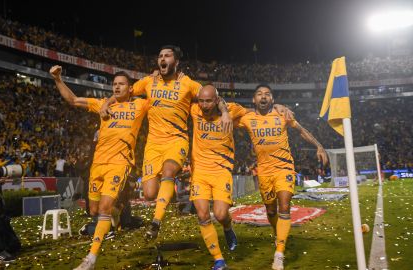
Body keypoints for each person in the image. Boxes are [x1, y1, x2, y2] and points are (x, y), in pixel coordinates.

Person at [100, 45, 233, 240]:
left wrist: (225, 112)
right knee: (149, 194)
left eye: (167, 55)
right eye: (160, 56)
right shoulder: (148, 81)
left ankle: (155, 223)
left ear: (176, 62)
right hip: (153, 144)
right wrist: (106, 103)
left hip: (176, 140)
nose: (162, 58)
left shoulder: (187, 83)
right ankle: (136, 209)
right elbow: (124, 92)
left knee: (169, 171)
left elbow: (212, 95)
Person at [49, 65, 149, 270]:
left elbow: (155, 92)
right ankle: (118, 208)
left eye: (122, 84)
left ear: (131, 88)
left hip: (120, 163)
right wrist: (58, 78)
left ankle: (90, 259)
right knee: (94, 210)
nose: (116, 87)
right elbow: (73, 100)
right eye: (114, 84)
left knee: (103, 208)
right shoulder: (102, 104)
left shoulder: (140, 105)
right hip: (98, 165)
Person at [238, 84, 328, 270]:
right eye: (259, 94)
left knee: (284, 207)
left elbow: (301, 130)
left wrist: (319, 145)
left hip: (284, 168)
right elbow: (226, 115)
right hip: (263, 171)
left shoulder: (283, 114)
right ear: (254, 99)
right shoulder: (247, 118)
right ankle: (277, 232)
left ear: (272, 99)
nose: (263, 97)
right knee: (271, 211)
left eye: (267, 94)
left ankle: (279, 253)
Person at [189, 85, 247, 270]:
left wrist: (278, 108)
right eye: (201, 101)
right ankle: (219, 260)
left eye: (208, 101)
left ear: (216, 100)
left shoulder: (231, 110)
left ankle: (228, 228)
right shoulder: (194, 110)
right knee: (203, 215)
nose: (204, 105)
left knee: (221, 214)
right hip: (199, 172)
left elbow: (254, 114)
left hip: (222, 171)